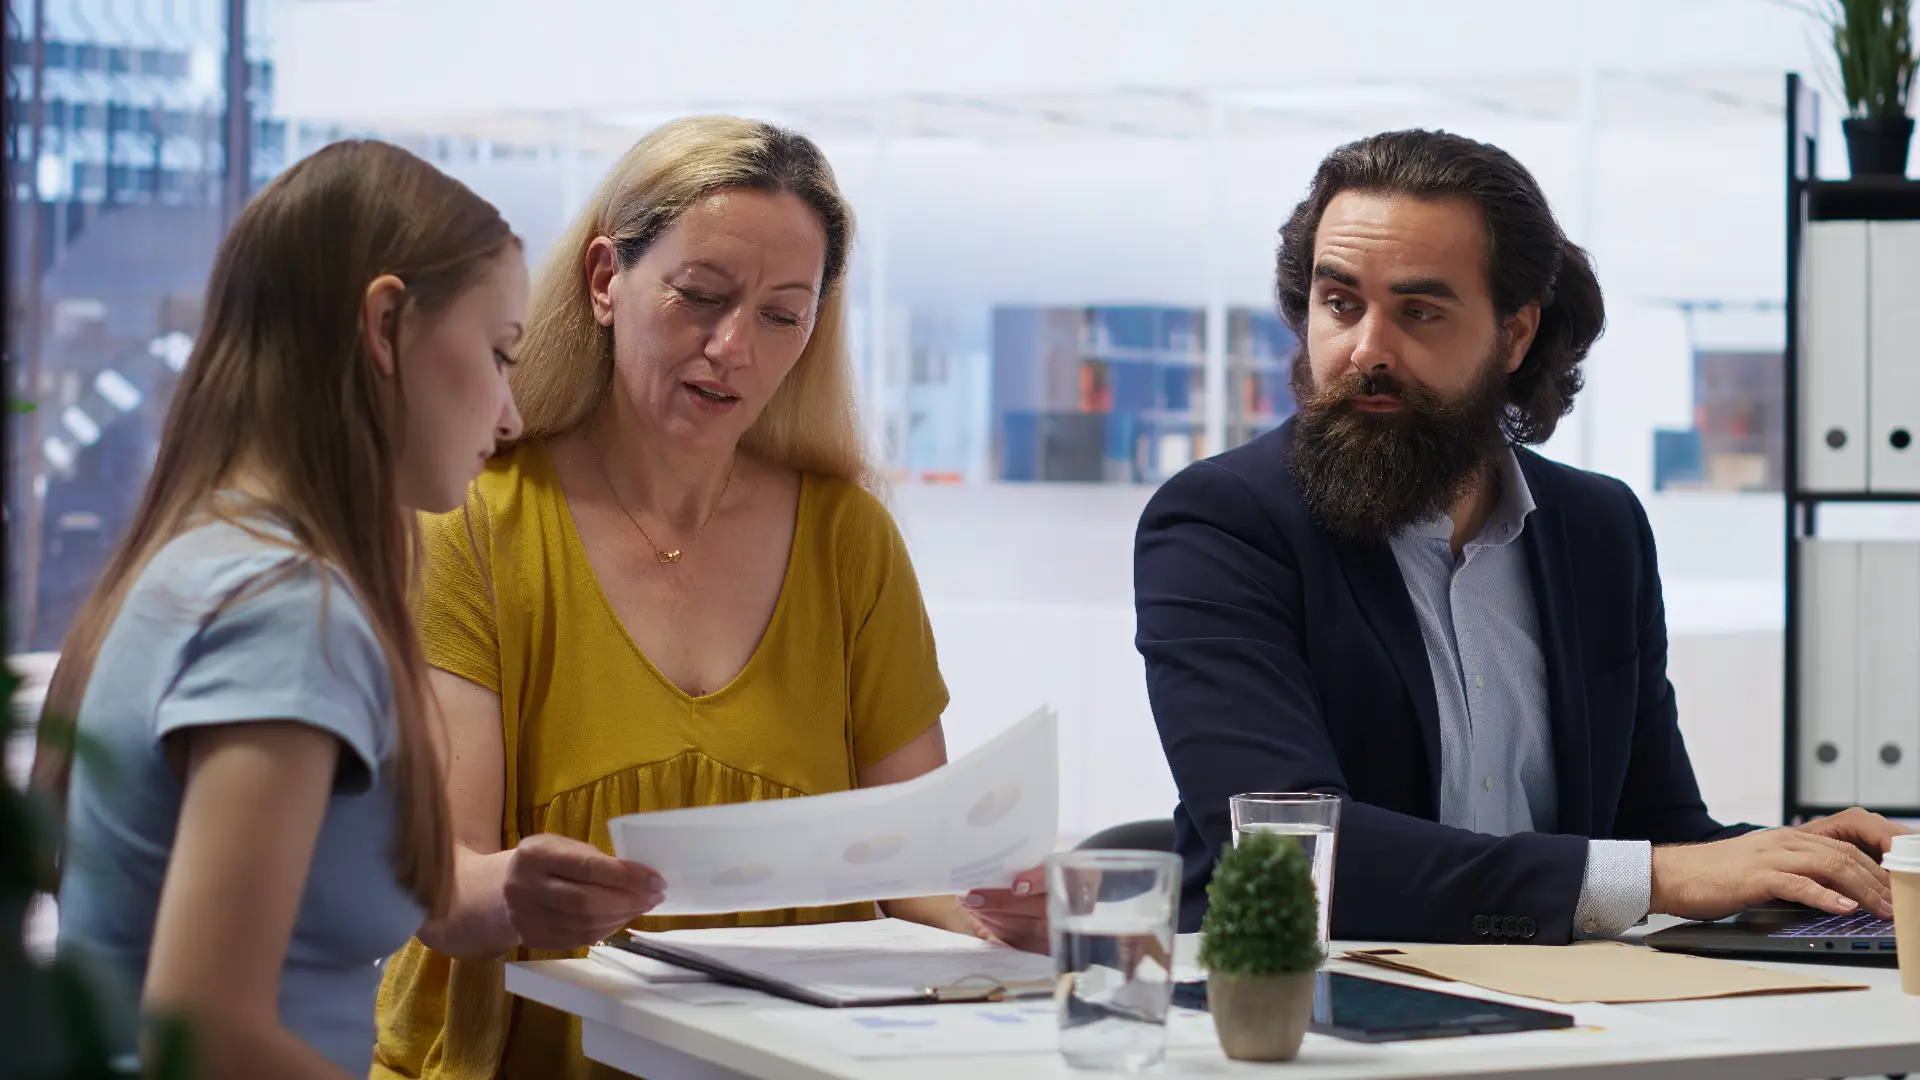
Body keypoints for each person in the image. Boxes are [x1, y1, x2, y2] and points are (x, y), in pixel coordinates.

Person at [373, 115, 1046, 1080]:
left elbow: (916, 869)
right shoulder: (478, 525)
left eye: (782, 314)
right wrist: (516, 893)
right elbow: (446, 882)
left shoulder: (847, 537)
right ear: (606, 281)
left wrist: (1002, 901)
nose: (734, 346)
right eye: (700, 297)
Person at [1134, 129, 1911, 944]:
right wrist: (1666, 873)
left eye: (1419, 311)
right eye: (1340, 303)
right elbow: (1288, 852)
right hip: (1309, 1015)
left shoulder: (1600, 530)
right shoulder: (1220, 522)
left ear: (1515, 334)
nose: (1366, 349)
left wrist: (1802, 863)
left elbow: (1657, 829)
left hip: (1564, 1010)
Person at [35, 140, 526, 1078]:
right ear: (385, 324)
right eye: (499, 354)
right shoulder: (287, 611)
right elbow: (211, 1033)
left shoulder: (203, 560)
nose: (509, 417)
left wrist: (501, 891)